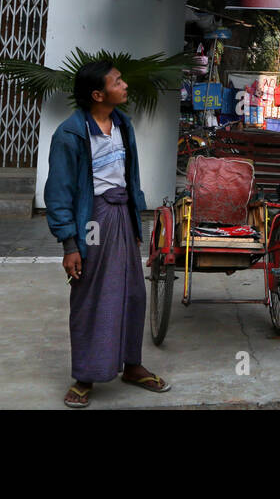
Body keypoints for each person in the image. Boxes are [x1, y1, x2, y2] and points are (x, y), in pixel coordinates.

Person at [45, 60, 171, 408]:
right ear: (98, 94)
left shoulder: (122, 124)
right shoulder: (70, 134)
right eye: (117, 81)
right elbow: (58, 192)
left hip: (122, 216)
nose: (125, 84)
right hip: (94, 222)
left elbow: (129, 176)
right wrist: (71, 244)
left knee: (132, 292)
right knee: (92, 291)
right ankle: (85, 375)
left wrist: (135, 222)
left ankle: (131, 365)